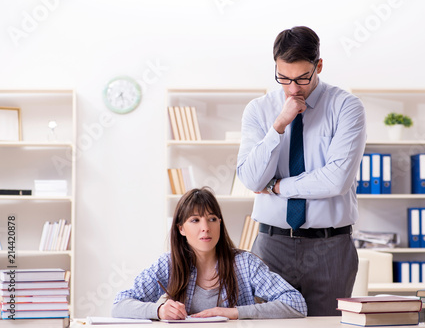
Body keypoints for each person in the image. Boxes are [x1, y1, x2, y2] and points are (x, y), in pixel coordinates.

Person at [236, 26, 367, 316]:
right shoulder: (259, 110)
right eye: (284, 78)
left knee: (327, 325)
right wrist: (278, 126)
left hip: (330, 248)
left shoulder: (346, 107)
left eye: (302, 78)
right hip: (271, 246)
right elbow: (251, 178)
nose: (293, 88)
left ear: (318, 66)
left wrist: (277, 187)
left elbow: (336, 180)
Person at [112, 187, 307, 320]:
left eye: (212, 219)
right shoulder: (169, 264)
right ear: (181, 229)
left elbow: (297, 303)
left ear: (220, 224)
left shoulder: (244, 263)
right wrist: (159, 310)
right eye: (195, 220)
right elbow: (119, 305)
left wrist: (234, 313)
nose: (205, 228)